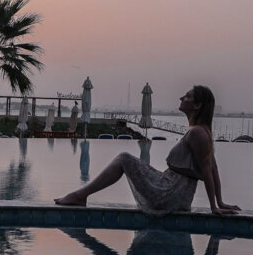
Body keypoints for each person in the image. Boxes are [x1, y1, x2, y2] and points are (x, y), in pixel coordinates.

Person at [54, 85, 240, 216]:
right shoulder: (199, 131)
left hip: (169, 193)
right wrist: (219, 202)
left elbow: (209, 170)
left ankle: (80, 196)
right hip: (174, 192)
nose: (181, 98)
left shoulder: (198, 133)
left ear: (198, 105)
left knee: (123, 158)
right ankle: (80, 195)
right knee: (124, 159)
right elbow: (213, 169)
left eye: (187, 96)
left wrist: (215, 206)